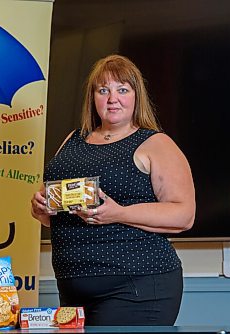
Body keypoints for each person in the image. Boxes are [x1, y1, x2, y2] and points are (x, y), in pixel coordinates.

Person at [31, 54, 195, 326]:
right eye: (103, 90)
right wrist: (41, 208)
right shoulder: (74, 139)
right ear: (92, 97)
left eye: (122, 90)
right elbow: (55, 211)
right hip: (72, 291)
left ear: (136, 96)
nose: (112, 98)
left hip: (136, 287)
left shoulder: (155, 143)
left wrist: (118, 213)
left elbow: (184, 215)